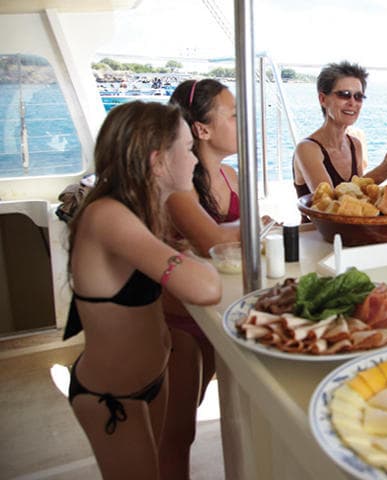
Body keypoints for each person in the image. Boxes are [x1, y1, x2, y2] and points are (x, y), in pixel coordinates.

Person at [63, 101, 221, 479]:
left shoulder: (141, 210)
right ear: (157, 161)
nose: (196, 160)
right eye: (187, 148)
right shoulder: (109, 216)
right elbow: (204, 288)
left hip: (150, 380)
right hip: (113, 398)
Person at [163, 78, 263, 478]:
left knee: (225, 409)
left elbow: (236, 235)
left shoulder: (232, 178)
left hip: (221, 308)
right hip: (182, 321)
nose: (243, 122)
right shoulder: (177, 184)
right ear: (201, 129)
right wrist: (252, 227)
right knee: (177, 429)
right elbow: (211, 241)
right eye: (235, 115)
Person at [292, 61, 387, 199]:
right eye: (344, 94)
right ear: (323, 99)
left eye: (358, 97)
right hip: (316, 222)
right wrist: (383, 172)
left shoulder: (355, 144)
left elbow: (358, 198)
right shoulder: (307, 149)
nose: (352, 103)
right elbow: (329, 202)